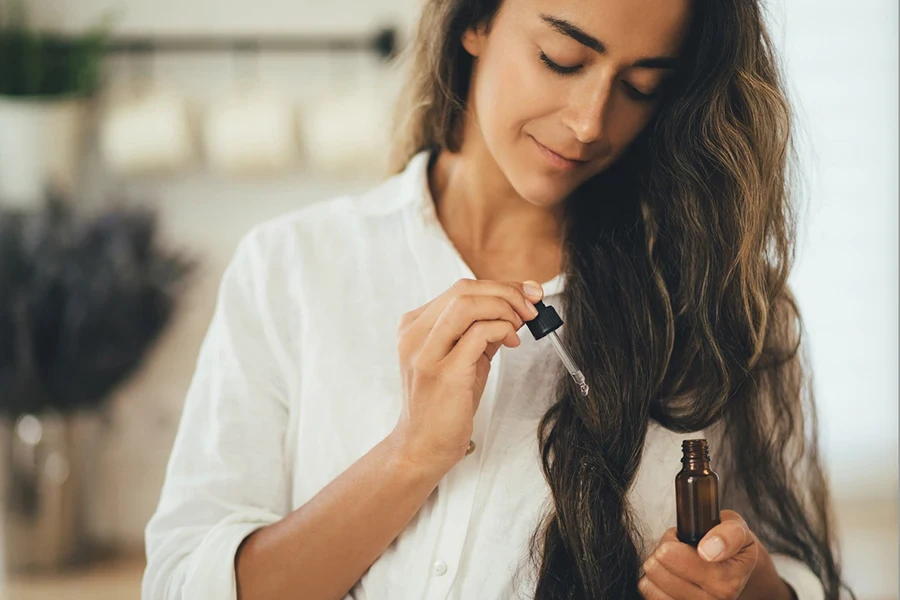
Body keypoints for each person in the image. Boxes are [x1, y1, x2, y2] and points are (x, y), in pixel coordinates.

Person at [142, 0, 853, 598]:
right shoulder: (292, 268)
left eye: (640, 87)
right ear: (475, 22)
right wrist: (410, 455)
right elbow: (184, 581)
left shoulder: (721, 303)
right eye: (562, 60)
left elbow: (796, 572)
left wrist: (751, 584)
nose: (589, 121)